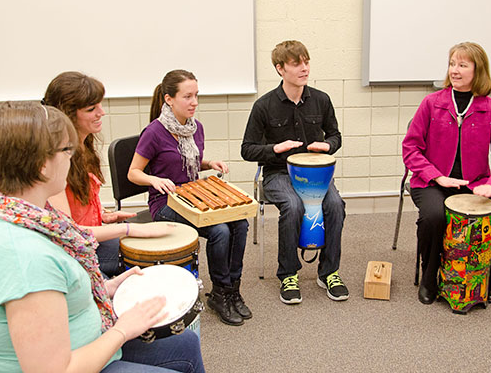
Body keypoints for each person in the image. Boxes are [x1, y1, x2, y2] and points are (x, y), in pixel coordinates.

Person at [0, 102, 204, 373]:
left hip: (82, 340)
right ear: (42, 166)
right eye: (67, 150)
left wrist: (103, 288)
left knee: (186, 343)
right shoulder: (24, 259)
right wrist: (123, 329)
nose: (73, 157)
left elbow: (57, 287)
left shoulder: (21, 213)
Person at [127, 70, 251, 326]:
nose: (194, 102)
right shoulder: (154, 132)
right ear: (169, 99)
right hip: (165, 203)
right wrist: (154, 180)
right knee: (219, 231)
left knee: (240, 223)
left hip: (192, 196)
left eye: (196, 95)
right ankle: (219, 292)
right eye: (187, 96)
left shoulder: (196, 128)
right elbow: (133, 173)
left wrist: (208, 163)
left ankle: (231, 289)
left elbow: (188, 164)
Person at [402, 41, 491, 305]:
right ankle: (430, 278)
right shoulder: (431, 103)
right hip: (432, 182)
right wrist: (437, 176)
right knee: (433, 217)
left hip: (475, 184)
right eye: (452, 64)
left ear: (478, 71)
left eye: (462, 65)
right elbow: (410, 148)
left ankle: (486, 279)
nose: (455, 70)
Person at [241, 40, 349, 304]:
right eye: (296, 63)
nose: (304, 68)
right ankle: (288, 274)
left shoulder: (321, 100)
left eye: (306, 62)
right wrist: (276, 148)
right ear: (280, 69)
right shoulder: (264, 106)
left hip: (315, 174)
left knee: (336, 205)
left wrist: (328, 145)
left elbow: (336, 136)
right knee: (292, 205)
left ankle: (329, 272)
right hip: (279, 173)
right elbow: (247, 150)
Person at [43, 71, 171, 277]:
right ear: (67, 115)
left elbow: (77, 203)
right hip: (72, 255)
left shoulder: (84, 145)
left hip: (91, 241)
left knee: (158, 254)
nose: (101, 112)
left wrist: (101, 214)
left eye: (100, 105)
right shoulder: (54, 161)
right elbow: (68, 233)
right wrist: (127, 229)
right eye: (92, 109)